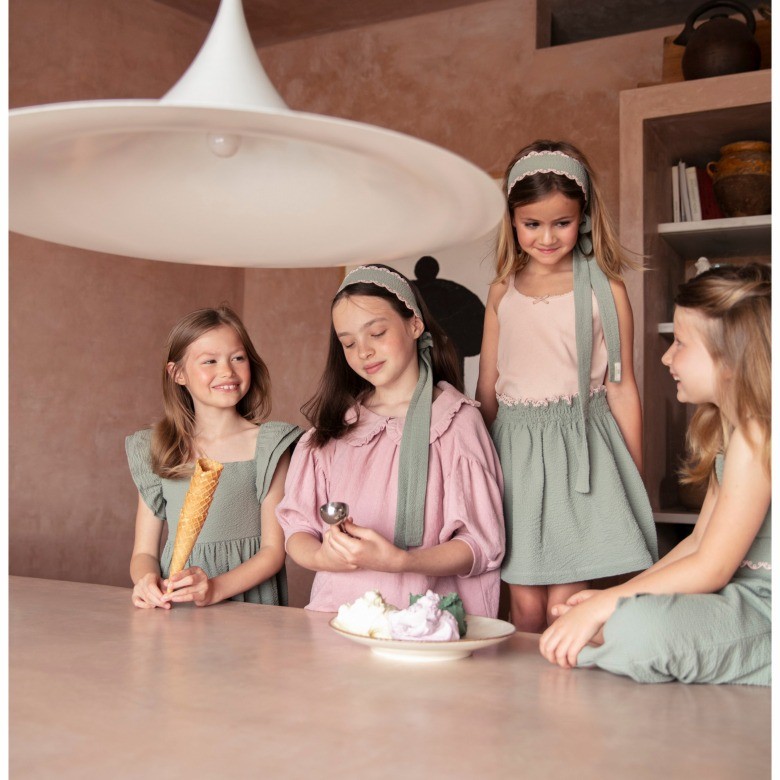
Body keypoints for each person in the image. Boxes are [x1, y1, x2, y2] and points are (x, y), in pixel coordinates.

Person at [539, 264, 771, 684]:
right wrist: (614, 597)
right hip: (736, 598)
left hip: (765, 611)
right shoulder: (731, 430)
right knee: (628, 616)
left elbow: (713, 567)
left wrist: (608, 607)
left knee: (637, 627)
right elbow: (698, 543)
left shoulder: (760, 433)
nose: (667, 356)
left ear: (731, 358)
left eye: (680, 343)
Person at [475, 140, 657, 632]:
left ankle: (561, 679)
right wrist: (479, 465)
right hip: (515, 453)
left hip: (582, 450)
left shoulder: (606, 290)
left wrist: (633, 476)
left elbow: (622, 387)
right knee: (525, 607)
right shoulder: (501, 291)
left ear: (584, 218)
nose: (547, 237)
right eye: (532, 224)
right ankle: (527, 683)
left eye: (562, 222)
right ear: (513, 221)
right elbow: (487, 389)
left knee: (566, 603)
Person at [276, 264, 505, 616]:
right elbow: (297, 531)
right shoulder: (332, 432)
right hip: (338, 621)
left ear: (414, 325)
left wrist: (400, 561)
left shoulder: (456, 424)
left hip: (424, 627)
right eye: (349, 343)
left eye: (377, 333)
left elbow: (481, 544)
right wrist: (324, 556)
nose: (363, 351)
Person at [127, 305, 303, 609]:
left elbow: (273, 552)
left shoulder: (269, 446)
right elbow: (144, 553)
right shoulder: (159, 447)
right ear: (178, 374)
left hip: (249, 605)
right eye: (210, 361)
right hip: (178, 603)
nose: (227, 371)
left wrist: (213, 589)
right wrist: (145, 580)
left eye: (238, 358)